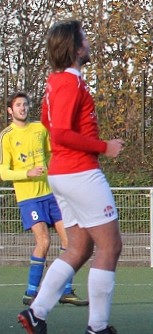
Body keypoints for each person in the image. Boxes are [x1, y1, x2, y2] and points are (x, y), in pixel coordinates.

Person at [18, 19, 125, 334]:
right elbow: (61, 133)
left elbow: (48, 123)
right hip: (80, 173)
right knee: (110, 247)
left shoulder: (56, 81)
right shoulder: (69, 83)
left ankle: (36, 313)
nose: (89, 42)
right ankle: (97, 326)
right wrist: (104, 147)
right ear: (76, 48)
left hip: (62, 174)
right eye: (85, 38)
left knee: (78, 248)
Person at [1, 92, 88, 307]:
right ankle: (30, 292)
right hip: (29, 198)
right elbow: (3, 172)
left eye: (25, 104)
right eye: (18, 105)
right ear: (10, 110)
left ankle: (65, 290)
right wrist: (27, 173)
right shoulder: (6, 136)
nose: (23, 108)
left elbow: (52, 154)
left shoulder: (40, 128)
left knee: (70, 242)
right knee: (44, 241)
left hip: (50, 194)